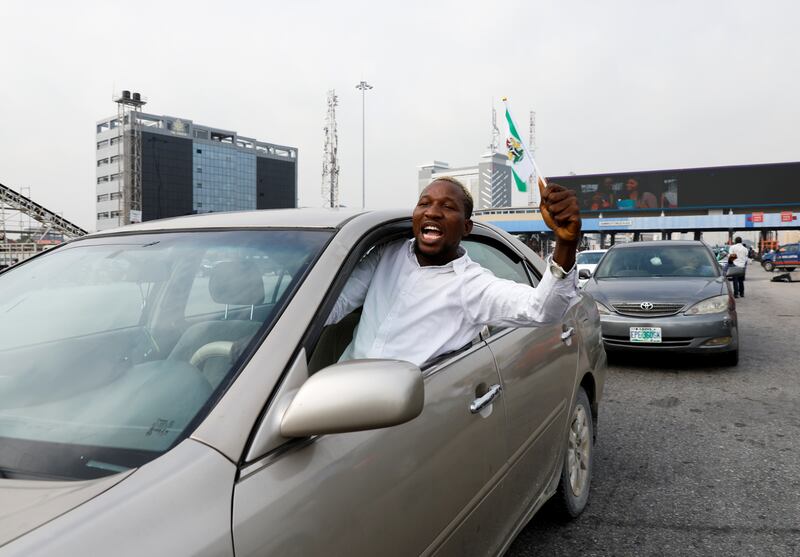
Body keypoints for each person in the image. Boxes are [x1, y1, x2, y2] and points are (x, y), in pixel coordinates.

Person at [326, 176, 581, 367]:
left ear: (466, 227)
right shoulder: (386, 254)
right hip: (337, 392)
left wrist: (566, 243)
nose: (433, 212)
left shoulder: (471, 286)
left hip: (400, 419)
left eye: (447, 207)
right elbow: (332, 306)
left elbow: (542, 309)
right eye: (424, 203)